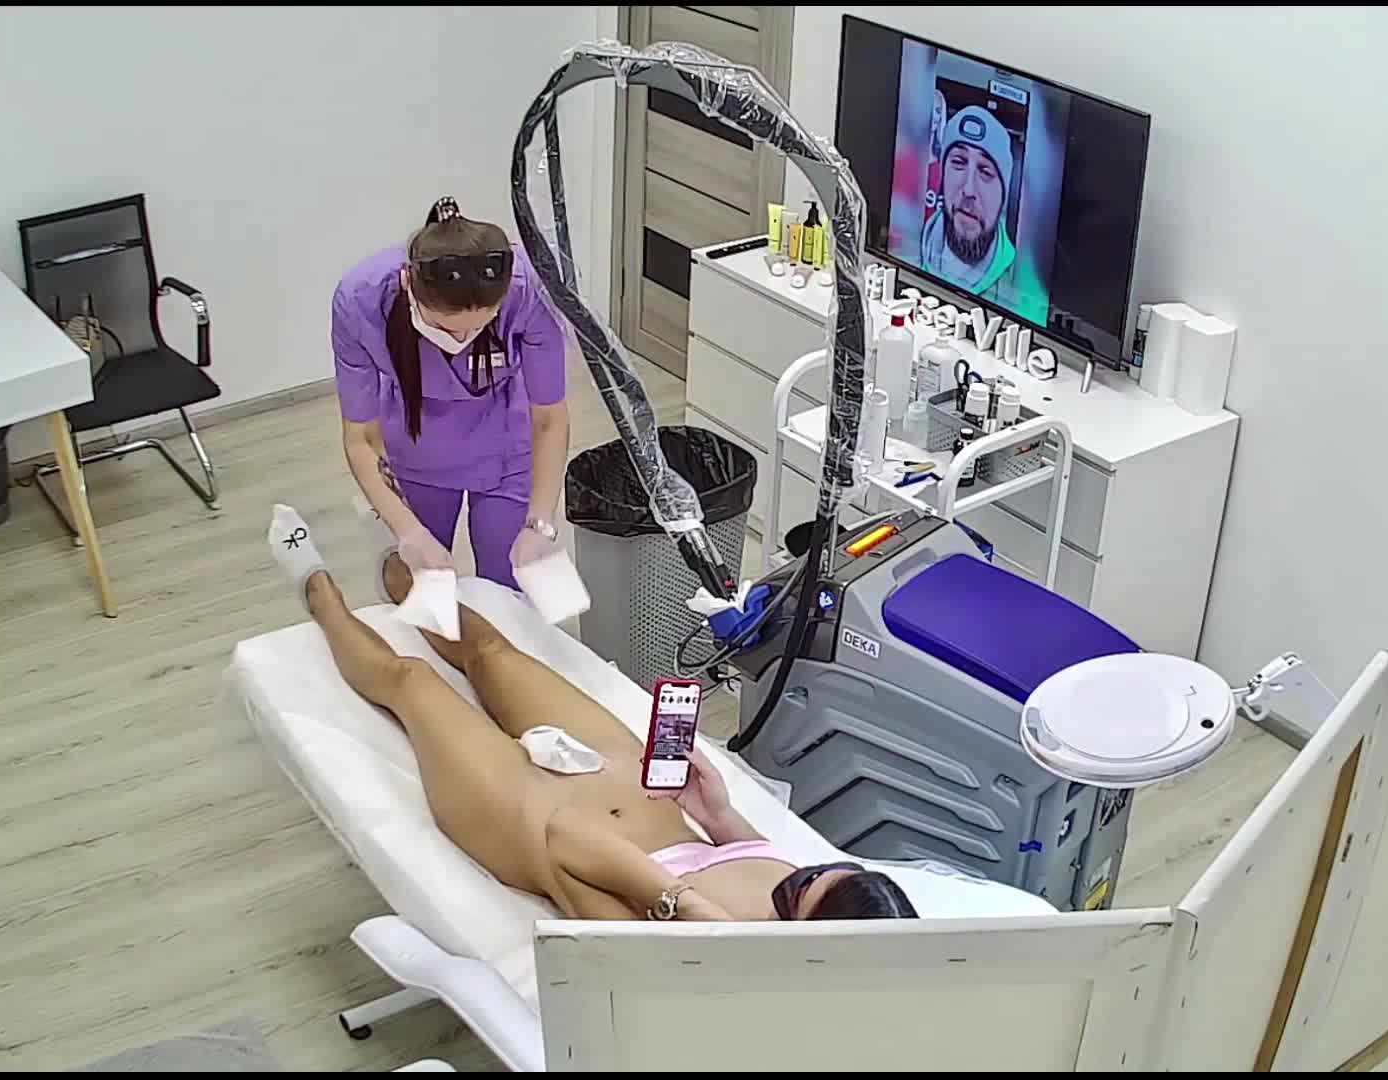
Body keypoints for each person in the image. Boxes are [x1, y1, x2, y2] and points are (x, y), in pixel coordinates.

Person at [267, 504, 919, 922]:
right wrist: (719, 815)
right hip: (634, 786)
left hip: (527, 816)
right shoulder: (809, 894)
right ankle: (400, 576)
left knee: (413, 683)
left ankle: (317, 593)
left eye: (800, 890)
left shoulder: (693, 955)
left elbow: (565, 841)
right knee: (493, 654)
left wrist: (694, 912)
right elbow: (754, 857)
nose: (799, 878)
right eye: (814, 873)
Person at [332, 196, 570, 592]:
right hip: (416, 445)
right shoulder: (361, 300)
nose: (462, 339)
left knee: (509, 581)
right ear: (409, 285)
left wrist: (540, 523)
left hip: (505, 447)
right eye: (445, 327)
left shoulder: (529, 291)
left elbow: (549, 417)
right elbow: (362, 437)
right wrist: (408, 531)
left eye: (479, 326)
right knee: (424, 584)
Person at [919, 105, 1026, 313]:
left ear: (1003, 195)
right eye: (959, 162)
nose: (968, 190)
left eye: (985, 172)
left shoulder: (1018, 281)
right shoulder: (911, 246)